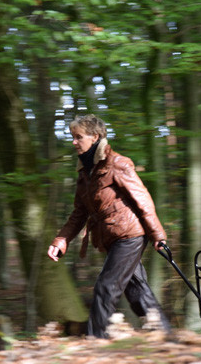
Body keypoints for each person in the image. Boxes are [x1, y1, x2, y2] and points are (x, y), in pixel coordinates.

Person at [47, 114, 171, 338]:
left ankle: (95, 341)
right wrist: (61, 240)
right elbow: (79, 213)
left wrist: (158, 235)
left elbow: (142, 199)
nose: (74, 142)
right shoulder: (85, 173)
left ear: (95, 137)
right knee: (137, 290)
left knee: (106, 286)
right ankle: (164, 335)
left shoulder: (117, 163)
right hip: (111, 237)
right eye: (72, 137)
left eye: (78, 137)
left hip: (129, 235)